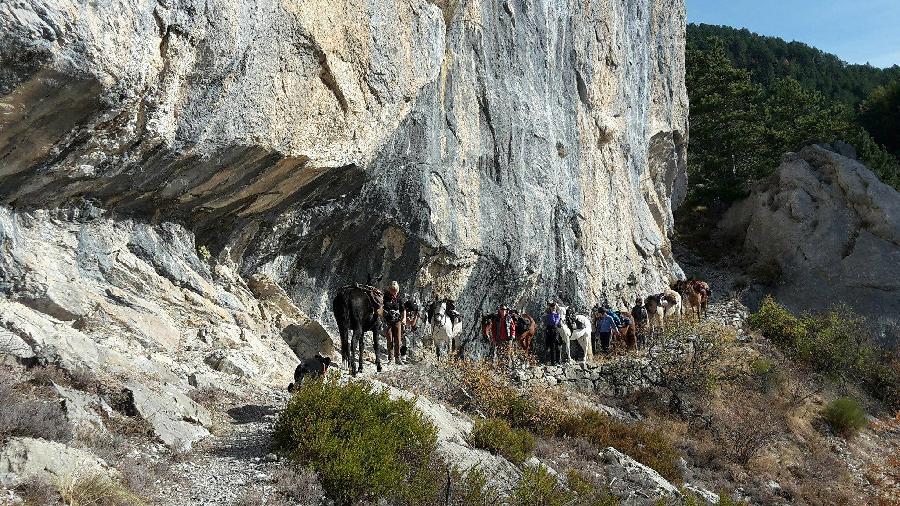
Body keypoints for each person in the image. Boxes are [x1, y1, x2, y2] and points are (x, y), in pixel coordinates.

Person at [382, 281, 406, 364]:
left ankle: (398, 358)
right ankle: (391, 358)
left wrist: (404, 319)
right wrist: (385, 314)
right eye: (392, 290)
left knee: (398, 340)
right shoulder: (385, 297)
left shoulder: (399, 298)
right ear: (390, 289)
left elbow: (403, 309)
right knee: (389, 339)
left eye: (395, 290)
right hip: (388, 321)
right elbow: (381, 308)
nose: (393, 291)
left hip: (397, 321)